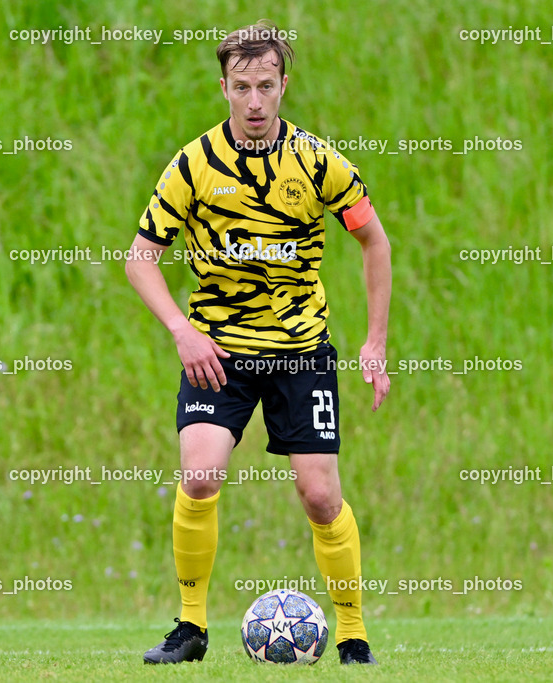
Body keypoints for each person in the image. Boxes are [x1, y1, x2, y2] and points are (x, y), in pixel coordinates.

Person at [125, 19, 391, 665]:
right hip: (218, 353)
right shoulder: (193, 165)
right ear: (223, 87)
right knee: (200, 475)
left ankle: (353, 633)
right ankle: (191, 629)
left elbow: (374, 241)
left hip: (301, 352)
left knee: (321, 495)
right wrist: (182, 331)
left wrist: (374, 342)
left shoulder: (320, 162)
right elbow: (140, 257)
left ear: (283, 85)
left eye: (265, 86)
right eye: (241, 86)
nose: (253, 101)